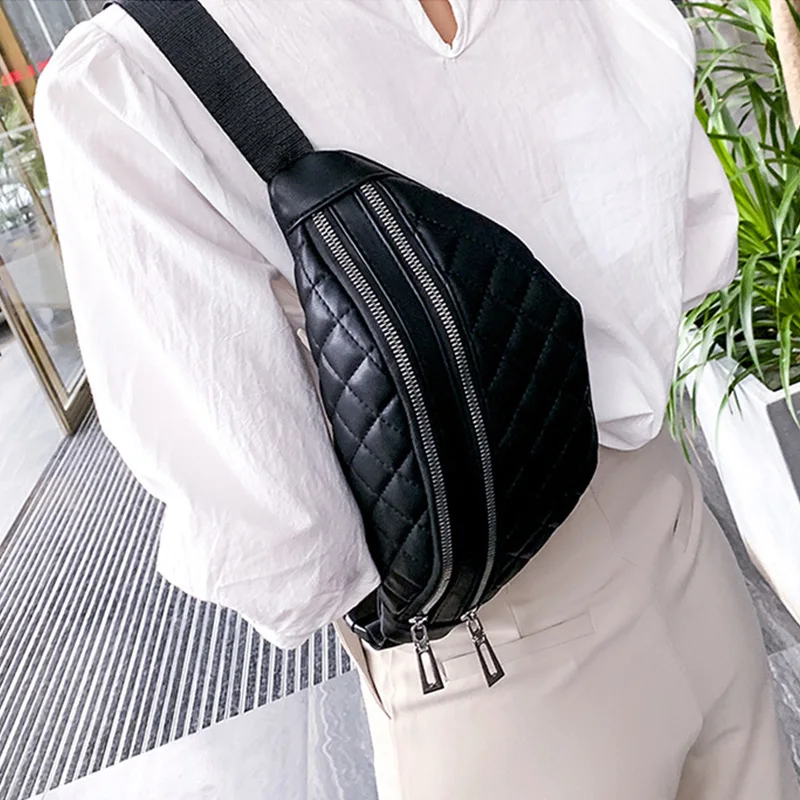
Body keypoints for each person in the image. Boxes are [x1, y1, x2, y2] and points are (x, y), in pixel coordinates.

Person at [34, 1, 800, 798]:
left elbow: (287, 547)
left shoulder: (125, 80)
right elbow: (696, 236)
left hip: (493, 649)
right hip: (680, 533)